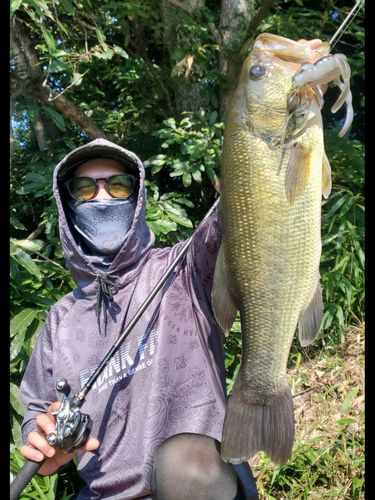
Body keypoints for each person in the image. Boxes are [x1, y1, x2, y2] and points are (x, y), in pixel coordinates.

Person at [16, 38, 324, 500]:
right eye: (85, 189)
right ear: (66, 205)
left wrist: (294, 99)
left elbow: (243, 216)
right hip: (104, 495)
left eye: (118, 186)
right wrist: (41, 443)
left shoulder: (184, 267)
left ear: (137, 198)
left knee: (182, 464)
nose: (102, 197)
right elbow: (36, 409)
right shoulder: (58, 321)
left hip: (202, 484)